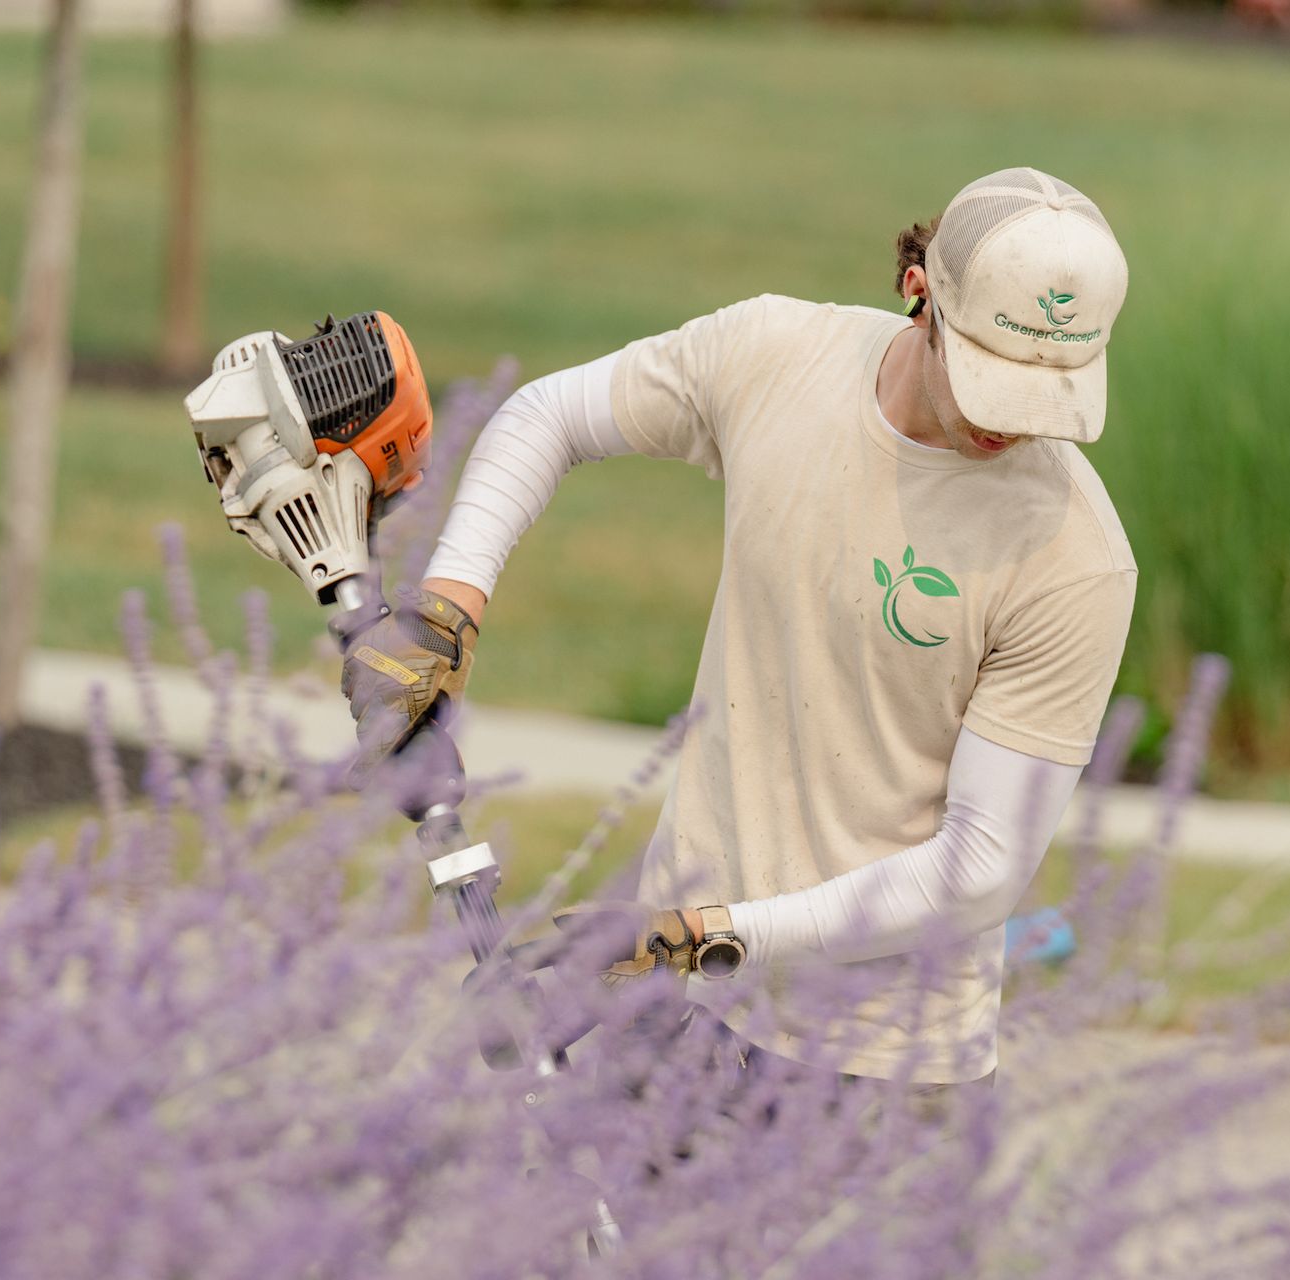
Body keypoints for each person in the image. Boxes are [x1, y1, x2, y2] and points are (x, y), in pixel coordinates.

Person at [339, 167, 1137, 1091]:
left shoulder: (1073, 555)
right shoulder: (776, 356)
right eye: (996, 373)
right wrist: (448, 610)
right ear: (922, 294)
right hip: (679, 1010)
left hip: (887, 1071)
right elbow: (545, 416)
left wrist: (709, 937)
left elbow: (982, 869)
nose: (1020, 422)